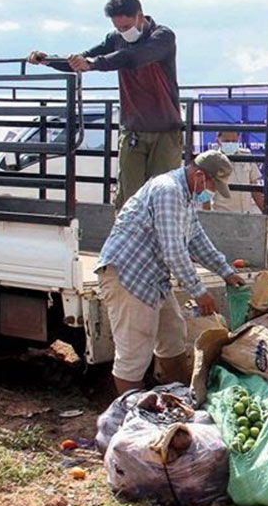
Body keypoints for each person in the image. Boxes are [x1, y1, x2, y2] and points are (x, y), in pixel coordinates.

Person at [95, 151, 246, 396]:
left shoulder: (186, 197)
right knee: (134, 352)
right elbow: (174, 250)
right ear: (199, 175)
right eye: (211, 185)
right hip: (128, 275)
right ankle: (127, 414)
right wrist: (199, 292)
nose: (211, 192)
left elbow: (197, 239)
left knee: (173, 334)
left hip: (154, 278)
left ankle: (179, 395)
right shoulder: (168, 190)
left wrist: (226, 271)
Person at [28, 0, 182, 208]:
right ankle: (125, 239)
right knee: (128, 198)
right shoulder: (115, 39)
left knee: (165, 197)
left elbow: (134, 58)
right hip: (132, 130)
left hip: (165, 130)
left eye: (126, 27)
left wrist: (93, 63)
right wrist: (48, 60)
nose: (123, 32)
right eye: (118, 28)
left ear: (140, 16)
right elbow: (81, 60)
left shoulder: (162, 36)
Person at [203, 130, 265, 214]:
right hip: (222, 216)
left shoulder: (246, 156)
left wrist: (266, 212)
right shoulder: (212, 161)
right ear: (218, 141)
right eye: (227, 141)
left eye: (234, 141)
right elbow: (206, 194)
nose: (231, 144)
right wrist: (205, 219)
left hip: (246, 216)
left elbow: (254, 188)